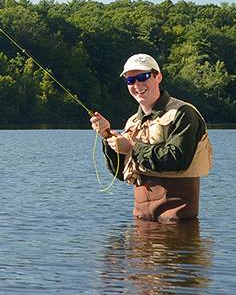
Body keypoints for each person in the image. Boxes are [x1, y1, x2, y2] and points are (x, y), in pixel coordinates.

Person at [90, 53, 213, 223]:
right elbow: (120, 172)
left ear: (158, 77)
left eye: (143, 77)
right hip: (142, 220)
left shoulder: (184, 113)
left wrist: (132, 147)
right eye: (130, 80)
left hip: (177, 220)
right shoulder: (133, 121)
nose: (137, 84)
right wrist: (107, 136)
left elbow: (177, 159)